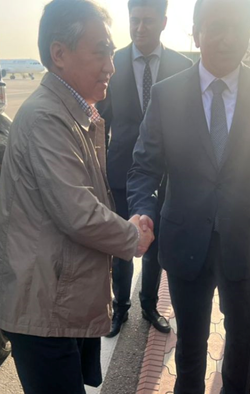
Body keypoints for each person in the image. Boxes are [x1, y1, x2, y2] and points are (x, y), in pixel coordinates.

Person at [0, 1, 154, 394]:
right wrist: (132, 237)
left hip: (55, 294)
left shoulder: (73, 113)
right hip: (42, 301)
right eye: (101, 51)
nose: (110, 66)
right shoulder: (47, 117)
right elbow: (77, 211)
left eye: (111, 52)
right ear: (59, 53)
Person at [127, 0, 250, 394]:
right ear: (196, 32)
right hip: (186, 238)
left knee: (246, 329)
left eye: (237, 28)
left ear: (249, 33)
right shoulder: (167, 94)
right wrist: (142, 211)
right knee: (191, 334)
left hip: (249, 240)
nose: (226, 38)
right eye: (216, 27)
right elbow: (144, 166)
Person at [97, 0, 192, 338]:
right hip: (122, 173)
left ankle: (149, 305)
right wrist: (98, 169)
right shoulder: (113, 63)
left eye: (148, 21)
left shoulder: (183, 67)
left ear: (164, 22)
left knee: (156, 245)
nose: (140, 28)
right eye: (134, 20)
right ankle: (120, 307)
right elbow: (101, 121)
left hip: (168, 176)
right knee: (122, 243)